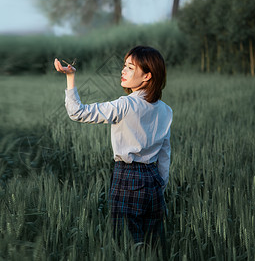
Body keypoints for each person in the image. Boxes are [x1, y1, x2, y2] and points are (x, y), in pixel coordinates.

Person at [53, 45, 172, 249]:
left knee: (126, 242)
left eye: (130, 68)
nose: (123, 71)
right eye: (124, 66)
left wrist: (70, 77)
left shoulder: (126, 105)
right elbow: (164, 152)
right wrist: (160, 184)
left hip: (128, 177)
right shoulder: (165, 110)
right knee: (152, 243)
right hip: (154, 180)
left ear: (147, 76)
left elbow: (77, 113)